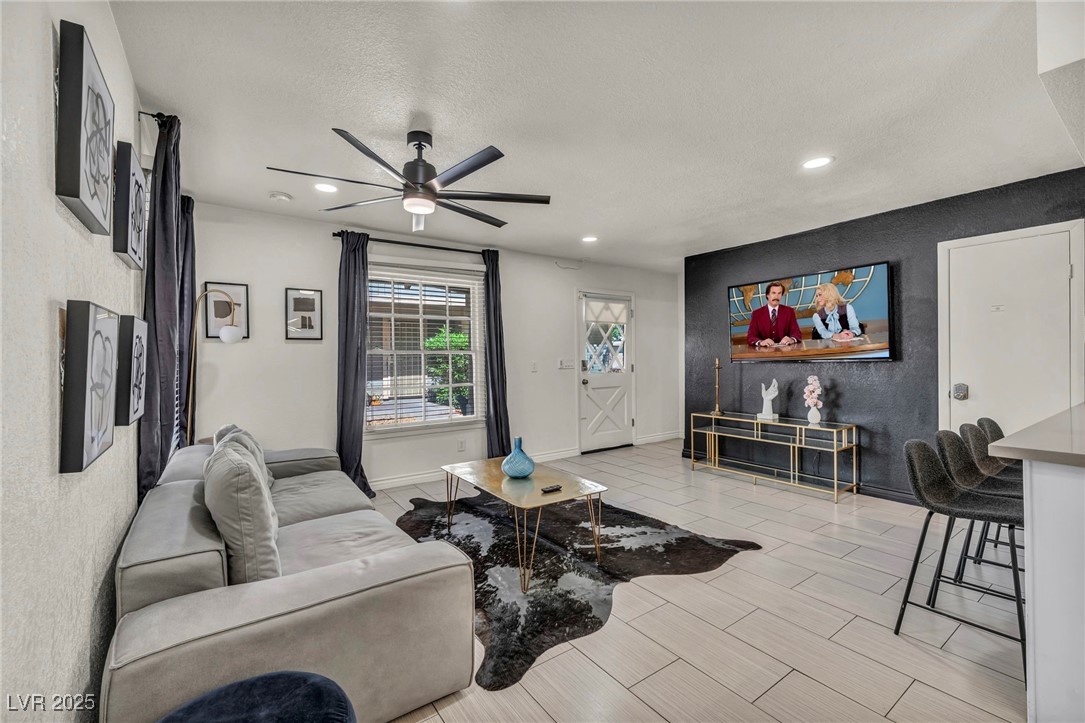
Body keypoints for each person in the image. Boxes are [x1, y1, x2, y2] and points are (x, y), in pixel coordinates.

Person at [747, 282, 802, 347]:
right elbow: (751, 336)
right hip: (764, 353)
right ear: (767, 295)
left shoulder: (789, 311)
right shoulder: (757, 314)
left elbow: (797, 333)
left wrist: (791, 339)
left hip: (785, 352)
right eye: (773, 293)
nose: (776, 296)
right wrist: (761, 342)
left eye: (779, 293)